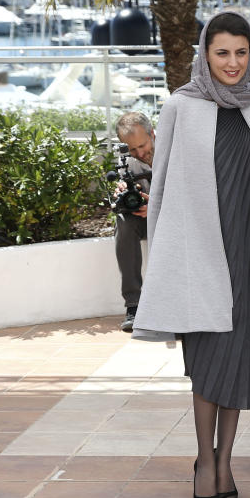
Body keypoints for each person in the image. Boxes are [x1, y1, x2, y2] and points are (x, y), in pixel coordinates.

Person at [132, 12, 250, 498]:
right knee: (208, 365)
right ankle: (203, 460)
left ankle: (226, 460)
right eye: (222, 53)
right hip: (200, 256)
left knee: (238, 364)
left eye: (241, 53)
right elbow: (164, 183)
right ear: (204, 54)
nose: (232, 63)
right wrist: (164, 262)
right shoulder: (180, 105)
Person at [113, 111, 153, 333]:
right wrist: (121, 191)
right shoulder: (126, 161)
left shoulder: (174, 149)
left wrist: (157, 207)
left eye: (143, 146)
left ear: (152, 133)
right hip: (142, 219)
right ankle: (134, 306)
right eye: (132, 149)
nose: (139, 153)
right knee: (123, 222)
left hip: (174, 217)